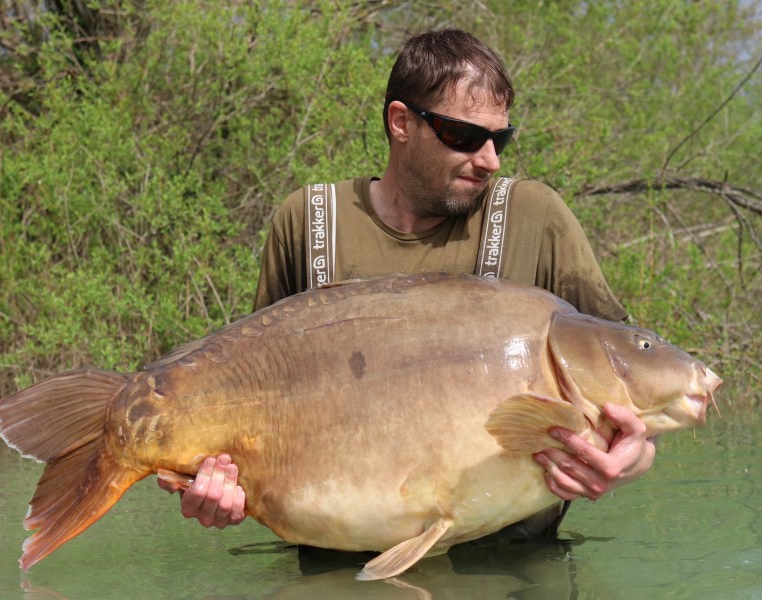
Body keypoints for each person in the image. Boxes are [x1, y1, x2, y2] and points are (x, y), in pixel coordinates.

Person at [159, 28, 656, 534]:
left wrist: (632, 460)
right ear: (401, 122)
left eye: (500, 138)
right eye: (464, 136)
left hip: (514, 569)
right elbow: (252, 399)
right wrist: (216, 486)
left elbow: (630, 386)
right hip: (332, 569)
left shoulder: (535, 218)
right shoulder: (307, 222)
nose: (490, 159)